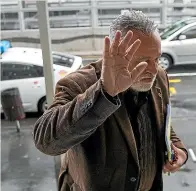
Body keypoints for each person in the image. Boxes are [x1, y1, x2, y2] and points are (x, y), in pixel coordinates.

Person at [33, 10, 188, 191]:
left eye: (157, 58)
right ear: (117, 51)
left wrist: (179, 150)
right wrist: (105, 92)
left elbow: (163, 122)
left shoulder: (159, 77)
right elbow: (46, 142)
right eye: (143, 60)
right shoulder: (78, 83)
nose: (154, 69)